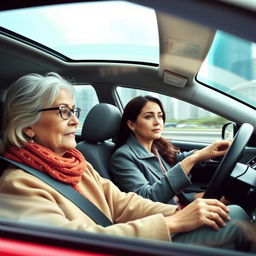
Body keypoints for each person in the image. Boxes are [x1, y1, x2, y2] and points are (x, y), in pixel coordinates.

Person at [0, 72, 252, 252]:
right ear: (28, 125)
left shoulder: (76, 163)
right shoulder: (17, 185)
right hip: (120, 244)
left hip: (131, 235)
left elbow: (122, 204)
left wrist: (179, 212)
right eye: (64, 111)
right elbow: (71, 244)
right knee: (239, 222)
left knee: (235, 215)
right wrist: (171, 222)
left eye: (74, 111)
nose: (76, 121)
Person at [110, 95, 231, 205]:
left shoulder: (156, 148)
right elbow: (148, 198)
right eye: (148, 116)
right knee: (236, 213)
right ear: (132, 124)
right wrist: (194, 158)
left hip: (182, 202)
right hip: (169, 218)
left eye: (160, 116)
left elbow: (178, 159)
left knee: (230, 199)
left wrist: (209, 151)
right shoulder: (122, 157)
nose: (157, 122)